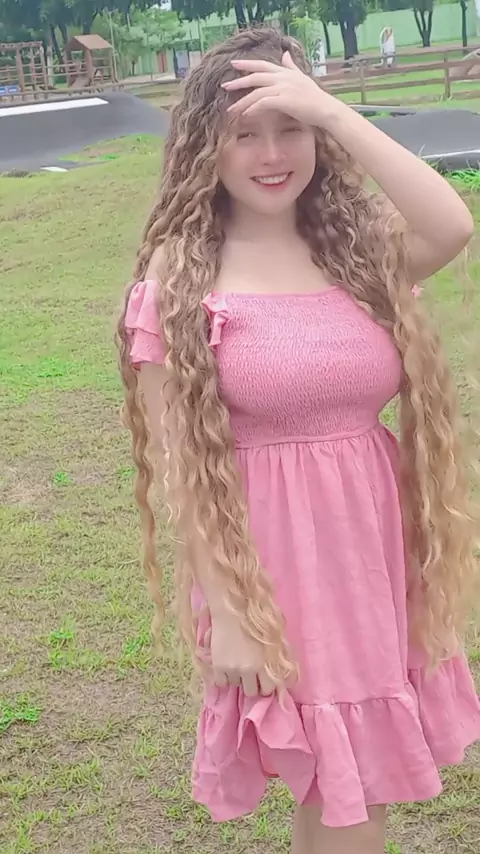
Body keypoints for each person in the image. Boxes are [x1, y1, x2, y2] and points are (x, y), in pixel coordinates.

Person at [116, 28, 480, 854]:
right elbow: (181, 470)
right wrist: (231, 613)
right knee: (340, 785)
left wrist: (335, 112)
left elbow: (452, 224)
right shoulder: (179, 277)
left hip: (370, 548)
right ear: (206, 146)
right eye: (246, 133)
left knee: (350, 779)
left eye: (293, 128)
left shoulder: (354, 251)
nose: (273, 154)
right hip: (266, 562)